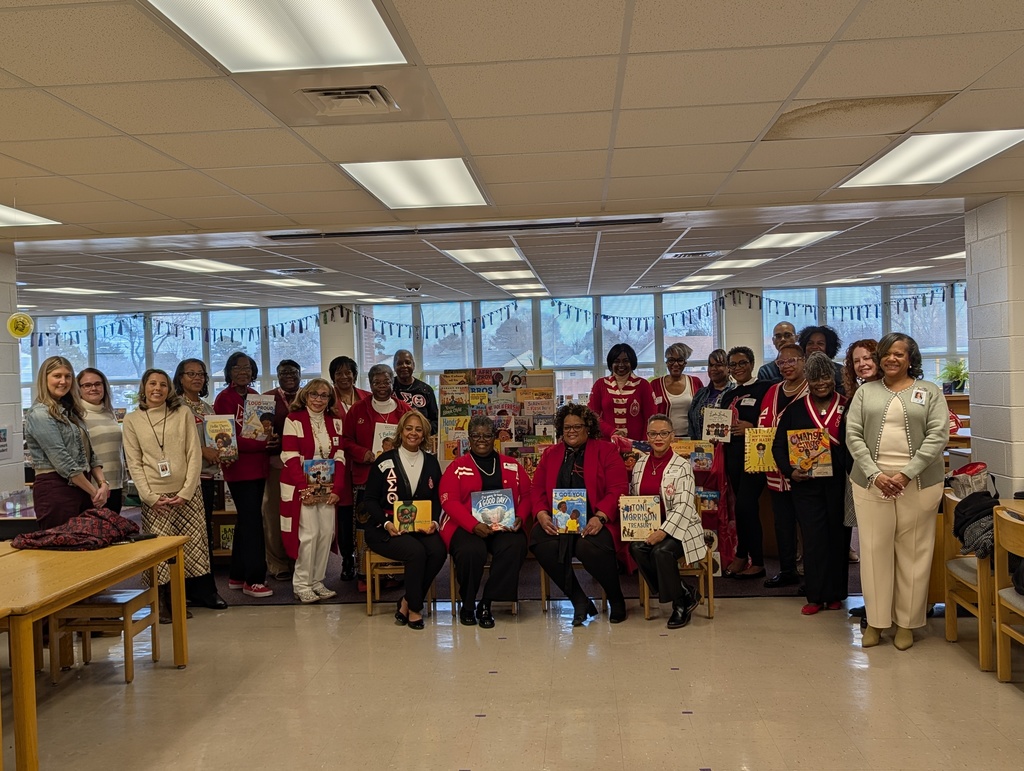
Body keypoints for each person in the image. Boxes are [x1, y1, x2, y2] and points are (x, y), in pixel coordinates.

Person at [846, 333, 948, 650]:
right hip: (870, 483)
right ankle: (877, 623)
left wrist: (905, 474)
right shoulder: (865, 393)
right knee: (874, 552)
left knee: (914, 552)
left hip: (919, 483)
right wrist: (876, 474)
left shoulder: (929, 392)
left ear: (910, 358)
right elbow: (853, 436)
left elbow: (937, 436)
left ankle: (907, 623)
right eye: (887, 353)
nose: (892, 359)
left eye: (899, 354)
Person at [122, 368, 210, 623]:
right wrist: (148, 497)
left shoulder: (182, 412)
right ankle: (159, 602)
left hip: (186, 493)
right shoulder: (132, 420)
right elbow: (134, 462)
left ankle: (176, 598)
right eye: (152, 384)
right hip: (155, 496)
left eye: (162, 384)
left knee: (186, 549)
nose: (157, 389)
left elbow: (194, 453)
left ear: (169, 388)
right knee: (159, 552)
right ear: (144, 387)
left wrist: (186, 491)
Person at [529, 403, 629, 626]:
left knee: (588, 547)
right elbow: (536, 489)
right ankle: (579, 600)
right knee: (541, 543)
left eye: (577, 426)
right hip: (559, 521)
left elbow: (619, 488)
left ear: (588, 427)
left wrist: (601, 516)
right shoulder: (551, 454)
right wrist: (541, 514)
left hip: (597, 519)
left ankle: (616, 597)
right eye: (566, 427)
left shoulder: (606, 450)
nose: (571, 431)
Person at [771, 353, 849, 615]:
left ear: (833, 378)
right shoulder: (794, 410)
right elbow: (778, 446)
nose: (820, 383)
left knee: (838, 538)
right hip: (806, 486)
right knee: (814, 540)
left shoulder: (847, 406)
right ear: (808, 380)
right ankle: (816, 596)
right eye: (814, 379)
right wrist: (790, 471)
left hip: (839, 484)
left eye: (825, 377)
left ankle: (837, 593)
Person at [439, 415, 531, 628]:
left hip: (504, 525)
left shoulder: (511, 465)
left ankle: (487, 602)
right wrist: (473, 525)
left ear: (494, 438)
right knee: (471, 551)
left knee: (515, 545)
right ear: (469, 439)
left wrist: (521, 517)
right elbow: (448, 500)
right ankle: (468, 603)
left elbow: (527, 495)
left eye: (487, 435)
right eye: (476, 435)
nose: (482, 439)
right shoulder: (457, 467)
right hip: (466, 525)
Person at [361, 411, 446, 630]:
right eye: (409, 428)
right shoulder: (384, 461)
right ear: (401, 431)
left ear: (425, 434)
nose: (413, 433)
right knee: (415, 552)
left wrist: (435, 523)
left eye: (418, 429)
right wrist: (386, 524)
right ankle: (416, 609)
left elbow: (437, 498)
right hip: (384, 528)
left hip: (419, 527)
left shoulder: (431, 462)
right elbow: (369, 500)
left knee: (438, 550)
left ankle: (407, 601)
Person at [629, 415, 704, 629]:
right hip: (649, 525)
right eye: (653, 433)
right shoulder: (640, 463)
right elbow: (636, 497)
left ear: (672, 436)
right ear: (647, 437)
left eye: (664, 433)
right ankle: (685, 592)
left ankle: (679, 604)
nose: (658, 438)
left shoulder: (682, 466)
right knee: (636, 548)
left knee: (661, 552)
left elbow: (684, 506)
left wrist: (663, 532)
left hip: (682, 527)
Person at [279, 379, 346, 604]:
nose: (318, 399)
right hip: (301, 485)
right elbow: (289, 455)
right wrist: (303, 489)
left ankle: (317, 581)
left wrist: (337, 489)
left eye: (324, 395)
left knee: (326, 533)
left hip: (327, 486)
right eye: (314, 394)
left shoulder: (335, 421)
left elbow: (339, 456)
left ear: (330, 399)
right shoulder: (293, 419)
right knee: (309, 535)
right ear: (305, 396)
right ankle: (302, 583)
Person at [346, 363, 412, 586]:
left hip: (397, 480)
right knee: (365, 526)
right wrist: (363, 453)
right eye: (376, 382)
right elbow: (345, 441)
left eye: (386, 381)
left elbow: (415, 438)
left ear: (392, 381)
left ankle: (393, 573)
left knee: (396, 524)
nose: (382, 386)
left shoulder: (404, 410)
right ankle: (364, 574)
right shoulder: (357, 410)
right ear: (370, 384)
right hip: (366, 478)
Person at [213, 351, 273, 599]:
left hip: (258, 467)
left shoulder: (257, 398)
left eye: (247, 368)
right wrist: (263, 444)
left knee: (246, 520)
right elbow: (228, 441)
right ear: (229, 371)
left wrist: (270, 438)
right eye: (237, 368)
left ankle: (237, 575)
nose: (243, 372)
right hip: (238, 469)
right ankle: (254, 579)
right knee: (252, 522)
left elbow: (262, 430)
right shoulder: (223, 399)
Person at [25, 356, 109, 528]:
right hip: (56, 489)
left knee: (87, 548)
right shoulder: (40, 414)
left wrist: (103, 484)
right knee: (62, 550)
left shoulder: (70, 412)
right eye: (57, 376)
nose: (63, 381)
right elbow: (63, 461)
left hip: (82, 487)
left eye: (68, 376)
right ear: (44, 379)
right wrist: (94, 492)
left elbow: (90, 454)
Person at [172, 358, 228, 610]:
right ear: (180, 377)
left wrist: (226, 451)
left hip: (207, 478)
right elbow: (173, 442)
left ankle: (202, 589)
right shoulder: (173, 407)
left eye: (201, 374)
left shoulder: (207, 408)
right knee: (185, 536)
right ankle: (186, 589)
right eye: (190, 373)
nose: (196, 378)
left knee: (202, 535)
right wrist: (201, 450)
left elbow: (219, 440)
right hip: (184, 481)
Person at [758, 343, 808, 589]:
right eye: (781, 362)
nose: (787, 366)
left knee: (807, 524)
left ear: (803, 361)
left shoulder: (812, 390)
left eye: (792, 361)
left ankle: (812, 571)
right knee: (783, 523)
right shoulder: (772, 391)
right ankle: (787, 569)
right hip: (775, 470)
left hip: (805, 472)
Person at [719, 347, 773, 579]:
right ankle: (743, 555)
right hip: (732, 457)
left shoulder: (765, 388)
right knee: (741, 510)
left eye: (742, 363)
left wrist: (752, 428)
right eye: (733, 364)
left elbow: (773, 420)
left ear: (751, 364)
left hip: (755, 457)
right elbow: (721, 424)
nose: (738, 368)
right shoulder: (729, 395)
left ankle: (756, 561)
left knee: (745, 507)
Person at [328, 355, 370, 581]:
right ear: (332, 376)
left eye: (348, 372)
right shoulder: (326, 399)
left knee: (364, 511)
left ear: (354, 374)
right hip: (340, 463)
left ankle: (366, 557)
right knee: (344, 514)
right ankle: (347, 559)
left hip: (365, 463)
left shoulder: (367, 397)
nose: (344, 377)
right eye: (338, 373)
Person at [842, 339, 882, 564]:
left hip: (883, 474)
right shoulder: (858, 394)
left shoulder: (889, 391)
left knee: (882, 539)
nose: (862, 364)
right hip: (857, 473)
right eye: (856, 360)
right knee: (868, 539)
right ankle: (876, 596)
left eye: (867, 358)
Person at [262, 359, 301, 581]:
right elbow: (256, 432)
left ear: (300, 374)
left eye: (293, 372)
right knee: (275, 515)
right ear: (277, 375)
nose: (289, 376)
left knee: (300, 516)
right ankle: (277, 563)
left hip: (303, 466)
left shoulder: (308, 397)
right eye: (284, 372)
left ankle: (299, 560)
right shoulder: (266, 399)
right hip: (276, 465)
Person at [77, 368, 124, 513]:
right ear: (78, 389)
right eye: (87, 385)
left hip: (115, 484)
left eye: (98, 384)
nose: (93, 388)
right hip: (93, 488)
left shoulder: (109, 412)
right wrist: (94, 488)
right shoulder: (76, 415)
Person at [588, 343, 656, 442]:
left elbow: (650, 418)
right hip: (607, 443)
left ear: (632, 362)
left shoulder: (643, 385)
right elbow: (592, 415)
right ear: (611, 363)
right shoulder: (600, 384)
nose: (621, 365)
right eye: (616, 361)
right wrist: (611, 431)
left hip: (636, 445)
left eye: (626, 361)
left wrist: (644, 444)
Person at [651, 343, 703, 438]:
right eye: (671, 360)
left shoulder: (695, 382)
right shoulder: (655, 384)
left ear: (685, 363)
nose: (675, 364)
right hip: (663, 438)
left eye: (680, 360)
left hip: (691, 437)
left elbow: (703, 410)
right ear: (666, 363)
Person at [687, 349, 733, 439]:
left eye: (718, 365)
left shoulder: (735, 392)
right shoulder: (700, 393)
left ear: (728, 368)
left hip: (726, 449)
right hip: (701, 448)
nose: (713, 369)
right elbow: (691, 422)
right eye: (711, 365)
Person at [393, 349, 439, 436]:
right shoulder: (389, 389)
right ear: (394, 366)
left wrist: (423, 433)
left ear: (413, 365)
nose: (404, 366)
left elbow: (436, 420)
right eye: (399, 363)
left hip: (420, 440)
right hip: (393, 438)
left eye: (408, 362)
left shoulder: (426, 390)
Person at [797, 325, 845, 394]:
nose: (814, 347)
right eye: (810, 343)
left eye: (820, 343)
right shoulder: (798, 371)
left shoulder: (840, 372)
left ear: (829, 347)